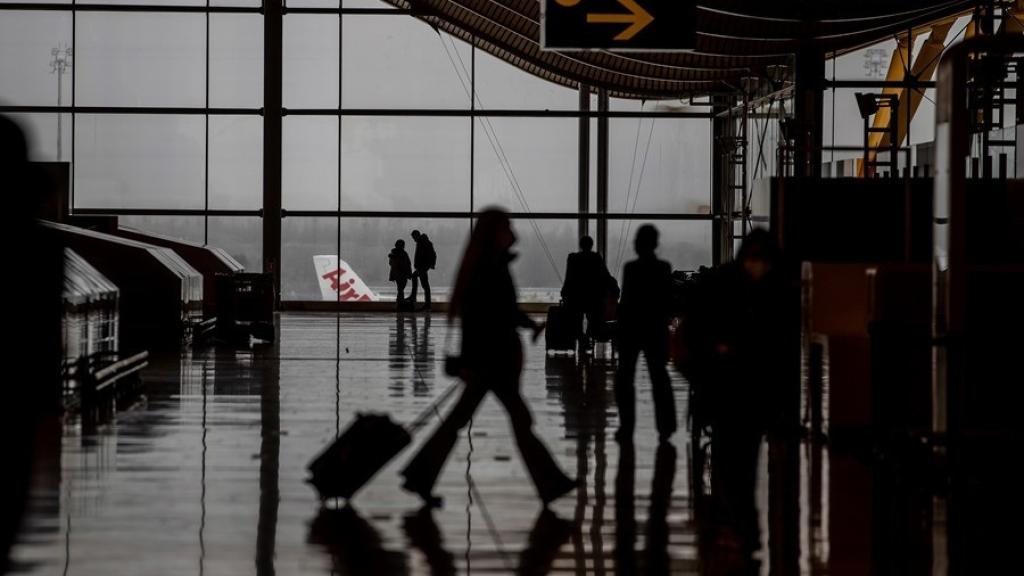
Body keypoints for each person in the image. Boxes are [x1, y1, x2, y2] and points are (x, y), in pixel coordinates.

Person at [400, 208, 576, 507]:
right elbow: (490, 314)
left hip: (489, 360)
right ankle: (551, 483)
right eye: (507, 227)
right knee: (517, 420)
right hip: (493, 361)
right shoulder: (490, 267)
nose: (514, 233)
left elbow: (490, 312)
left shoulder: (484, 265)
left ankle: (420, 475)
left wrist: (526, 325)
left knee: (465, 420)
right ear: (496, 232)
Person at [700, 229, 792, 553]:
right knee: (734, 460)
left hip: (743, 391)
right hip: (734, 390)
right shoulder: (771, 289)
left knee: (738, 461)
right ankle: (738, 526)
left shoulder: (740, 285)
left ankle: (734, 526)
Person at [614, 225, 676, 443]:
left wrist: (620, 331)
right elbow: (668, 301)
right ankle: (665, 426)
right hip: (655, 328)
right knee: (659, 378)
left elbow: (627, 302)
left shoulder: (631, 268)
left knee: (625, 378)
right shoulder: (663, 268)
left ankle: (626, 426)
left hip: (632, 329)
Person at [560, 235, 612, 349]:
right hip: (594, 297)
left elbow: (568, 278)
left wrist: (564, 292)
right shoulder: (596, 258)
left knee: (576, 321)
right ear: (591, 245)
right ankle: (588, 338)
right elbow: (605, 276)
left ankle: (582, 339)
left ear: (580, 245)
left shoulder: (573, 258)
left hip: (576, 297)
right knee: (593, 320)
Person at [409, 230, 436, 312]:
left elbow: (425, 255)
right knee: (425, 285)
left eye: (414, 237)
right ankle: (426, 303)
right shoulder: (424, 242)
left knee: (424, 285)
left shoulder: (422, 243)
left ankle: (425, 303)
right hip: (423, 266)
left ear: (416, 235)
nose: (413, 239)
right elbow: (433, 254)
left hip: (422, 267)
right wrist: (431, 265)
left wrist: (423, 265)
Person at [388, 239, 413, 307]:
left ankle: (400, 301)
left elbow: (391, 263)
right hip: (403, 273)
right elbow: (407, 264)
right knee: (401, 288)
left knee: (400, 288)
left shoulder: (393, 254)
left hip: (396, 274)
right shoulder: (404, 254)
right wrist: (409, 274)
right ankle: (400, 302)